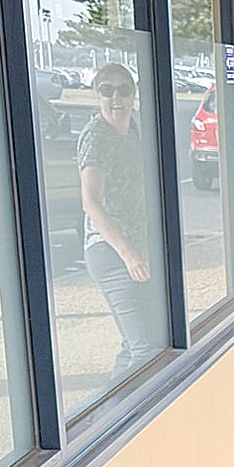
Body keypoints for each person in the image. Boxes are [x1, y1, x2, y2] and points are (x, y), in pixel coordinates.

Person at [80, 64, 162, 388]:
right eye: (107, 90)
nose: (116, 97)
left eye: (124, 90)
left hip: (137, 251)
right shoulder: (96, 136)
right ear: (97, 94)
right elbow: (91, 202)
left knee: (135, 344)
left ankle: (110, 409)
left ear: (133, 94)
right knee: (145, 348)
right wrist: (128, 255)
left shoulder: (135, 128)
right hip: (110, 252)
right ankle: (122, 421)